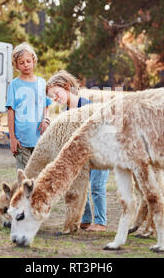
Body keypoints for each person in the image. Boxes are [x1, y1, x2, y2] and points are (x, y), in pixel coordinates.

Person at [46, 70, 109, 232]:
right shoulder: (66, 113)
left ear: (66, 87)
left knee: (97, 186)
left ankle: (101, 222)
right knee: (79, 186)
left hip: (100, 151)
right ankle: (86, 219)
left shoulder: (87, 105)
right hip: (81, 156)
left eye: (56, 93)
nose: (55, 99)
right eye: (52, 97)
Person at [6, 42, 52, 170]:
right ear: (16, 65)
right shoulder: (14, 85)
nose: (26, 64)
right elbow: (11, 112)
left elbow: (46, 106)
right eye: (21, 62)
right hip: (22, 142)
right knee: (24, 179)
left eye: (28, 61)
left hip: (40, 140)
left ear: (33, 60)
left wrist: (46, 119)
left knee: (39, 178)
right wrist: (12, 138)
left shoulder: (42, 83)